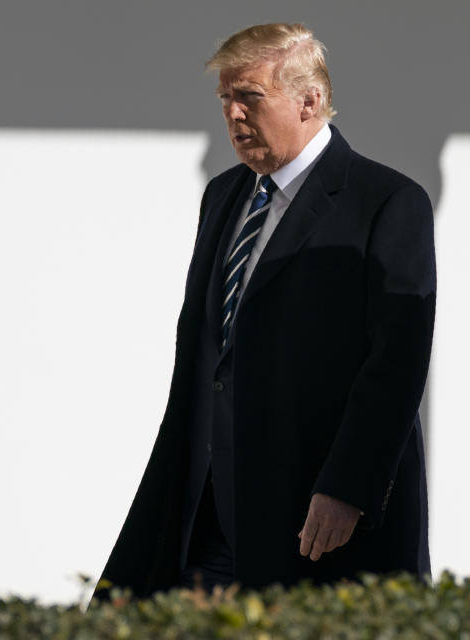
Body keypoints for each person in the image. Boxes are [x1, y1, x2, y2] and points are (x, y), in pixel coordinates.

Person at [94, 23, 435, 597]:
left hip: (315, 517)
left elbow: (396, 365)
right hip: (207, 507)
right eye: (224, 98)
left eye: (249, 96)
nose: (232, 114)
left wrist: (347, 488)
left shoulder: (387, 202)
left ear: (311, 100)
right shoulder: (225, 194)